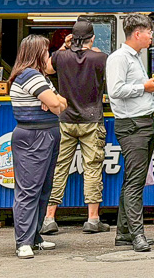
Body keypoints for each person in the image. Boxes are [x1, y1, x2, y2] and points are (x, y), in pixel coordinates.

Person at [42, 19, 110, 236]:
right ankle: (92, 219)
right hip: (92, 119)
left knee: (59, 167)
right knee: (92, 168)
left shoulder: (60, 56)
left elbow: (47, 68)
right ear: (92, 38)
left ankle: (49, 218)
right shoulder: (100, 58)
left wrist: (64, 46)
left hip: (65, 119)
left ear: (72, 38)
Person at [106, 13, 154, 253]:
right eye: (149, 32)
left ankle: (124, 234)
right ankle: (137, 234)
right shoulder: (119, 58)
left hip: (143, 123)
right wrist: (144, 87)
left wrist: (147, 87)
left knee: (134, 179)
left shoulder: (136, 57)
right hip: (132, 125)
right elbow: (115, 90)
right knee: (134, 182)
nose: (152, 36)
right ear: (137, 33)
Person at [10, 34, 68, 259]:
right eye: (45, 51)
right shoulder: (29, 75)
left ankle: (34, 237)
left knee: (43, 188)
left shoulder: (41, 77)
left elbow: (62, 103)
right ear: (36, 53)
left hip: (47, 133)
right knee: (29, 189)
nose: (48, 55)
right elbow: (55, 103)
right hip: (33, 135)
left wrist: (54, 101)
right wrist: (52, 101)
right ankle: (23, 241)